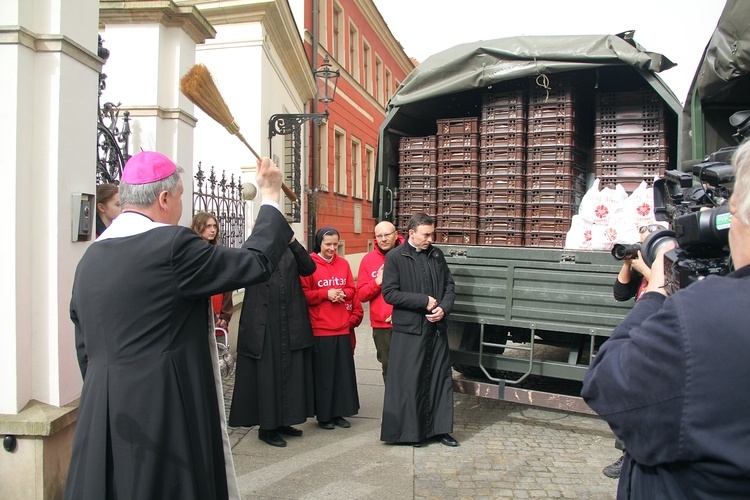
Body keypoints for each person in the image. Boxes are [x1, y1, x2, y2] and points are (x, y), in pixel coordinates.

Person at [65, 151, 294, 500]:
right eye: (182, 196)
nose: (182, 205)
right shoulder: (171, 246)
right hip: (162, 406)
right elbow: (254, 262)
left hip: (103, 409)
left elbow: (84, 345)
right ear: (165, 198)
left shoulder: (90, 258)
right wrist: (270, 197)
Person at [582, 139, 750, 498]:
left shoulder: (701, 313)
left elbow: (606, 386)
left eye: (731, 212)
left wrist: (659, 287)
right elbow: (620, 292)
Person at [228, 238, 317, 448]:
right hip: (264, 323)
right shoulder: (254, 245)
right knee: (268, 375)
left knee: (289, 373)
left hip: (290, 320)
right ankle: (267, 427)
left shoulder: (291, 247)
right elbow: (241, 273)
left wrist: (294, 243)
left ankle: (284, 422)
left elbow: (308, 267)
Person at [380, 213, 457, 447]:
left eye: (432, 234)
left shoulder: (436, 254)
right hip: (410, 330)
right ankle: (412, 434)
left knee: (439, 380)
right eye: (426, 234)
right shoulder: (395, 257)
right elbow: (389, 293)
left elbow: (449, 286)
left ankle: (440, 430)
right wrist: (422, 301)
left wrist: (443, 308)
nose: (430, 238)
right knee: (410, 383)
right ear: (411, 233)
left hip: (436, 329)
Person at [603, 222, 661, 478]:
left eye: (648, 242)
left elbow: (669, 288)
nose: (643, 247)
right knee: (630, 397)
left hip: (661, 339)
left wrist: (647, 269)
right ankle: (626, 454)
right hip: (640, 337)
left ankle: (642, 454)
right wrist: (628, 263)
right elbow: (620, 293)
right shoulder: (641, 267)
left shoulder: (669, 266)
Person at [300, 227, 360, 430]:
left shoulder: (343, 263)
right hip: (320, 328)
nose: (332, 248)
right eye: (328, 244)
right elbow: (304, 295)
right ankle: (324, 415)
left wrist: (343, 293)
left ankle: (339, 412)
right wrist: (326, 294)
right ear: (319, 243)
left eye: (336, 244)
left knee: (342, 375)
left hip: (342, 327)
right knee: (324, 375)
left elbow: (353, 289)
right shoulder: (309, 265)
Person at [356, 221, 404, 383]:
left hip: (407, 322)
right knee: (389, 368)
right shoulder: (368, 260)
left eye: (387, 234)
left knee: (409, 367)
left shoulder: (408, 255)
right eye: (379, 236)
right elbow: (361, 295)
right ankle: (393, 406)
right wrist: (377, 282)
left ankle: (411, 406)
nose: (383, 239)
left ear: (396, 234)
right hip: (382, 326)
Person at [191, 211, 234, 334]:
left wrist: (225, 316)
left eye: (214, 226)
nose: (213, 230)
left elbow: (228, 284)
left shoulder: (219, 254)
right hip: (198, 315)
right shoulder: (190, 254)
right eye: (208, 226)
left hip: (218, 313)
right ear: (196, 227)